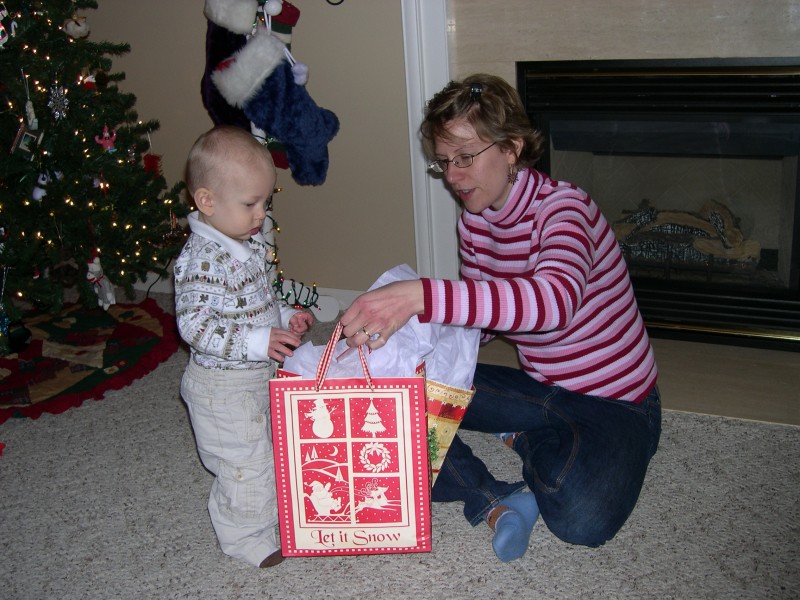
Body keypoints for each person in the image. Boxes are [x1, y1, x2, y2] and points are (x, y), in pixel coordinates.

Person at [340, 74, 661, 562]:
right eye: (445, 162)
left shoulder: (565, 210)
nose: (453, 176)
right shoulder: (475, 217)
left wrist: (419, 296)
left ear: (511, 149)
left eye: (465, 158)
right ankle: (492, 493)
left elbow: (552, 304)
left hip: (617, 403)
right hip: (539, 391)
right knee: (394, 400)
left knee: (580, 519)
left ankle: (526, 438)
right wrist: (412, 332)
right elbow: (487, 316)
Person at [174, 125, 314, 568]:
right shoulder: (200, 259)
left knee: (268, 451)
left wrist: (284, 313)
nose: (260, 215)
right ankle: (244, 538)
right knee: (245, 466)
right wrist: (257, 340)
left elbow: (259, 296)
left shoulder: (245, 244)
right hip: (221, 390)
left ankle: (270, 515)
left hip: (253, 377)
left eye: (265, 202)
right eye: (250, 204)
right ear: (207, 201)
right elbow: (194, 326)